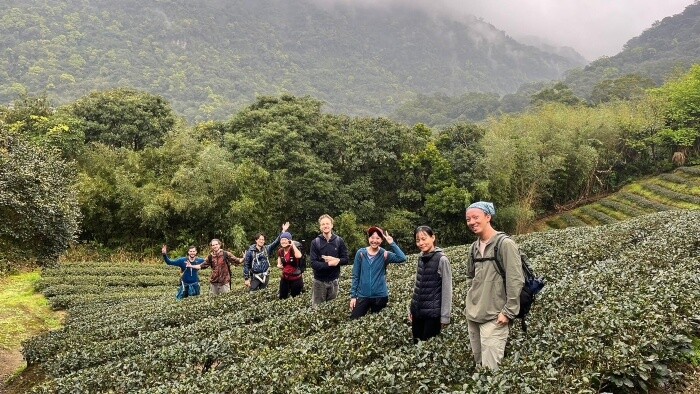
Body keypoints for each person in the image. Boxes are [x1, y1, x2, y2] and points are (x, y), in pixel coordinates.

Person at [464, 201, 524, 370]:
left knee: (491, 370)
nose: (472, 222)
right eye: (468, 219)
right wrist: (475, 295)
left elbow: (515, 279)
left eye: (476, 217)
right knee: (479, 365)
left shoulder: (505, 244)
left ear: (488, 217)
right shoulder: (473, 247)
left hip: (495, 316)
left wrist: (508, 312)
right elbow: (470, 276)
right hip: (473, 315)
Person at [350, 226, 407, 319]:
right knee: (354, 319)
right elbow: (356, 276)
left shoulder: (384, 254)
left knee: (377, 323)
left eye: (378, 238)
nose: (374, 240)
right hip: (362, 295)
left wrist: (392, 243)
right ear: (368, 238)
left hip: (380, 296)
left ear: (381, 240)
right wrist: (353, 296)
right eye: (372, 237)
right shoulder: (361, 253)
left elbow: (402, 258)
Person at [409, 225, 452, 344]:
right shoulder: (421, 258)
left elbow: (447, 289)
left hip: (432, 315)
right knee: (416, 346)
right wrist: (412, 310)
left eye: (424, 239)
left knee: (428, 349)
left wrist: (445, 317)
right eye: (418, 240)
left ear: (433, 238)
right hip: (418, 313)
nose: (421, 243)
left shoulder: (442, 259)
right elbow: (417, 285)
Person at [309, 214, 350, 307]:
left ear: (332, 225)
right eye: (323, 224)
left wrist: (337, 260)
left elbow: (346, 259)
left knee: (331, 310)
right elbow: (313, 263)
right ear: (320, 227)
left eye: (327, 223)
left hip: (334, 281)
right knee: (317, 309)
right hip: (319, 282)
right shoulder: (315, 242)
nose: (325, 226)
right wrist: (330, 264)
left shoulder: (339, 241)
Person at [244, 222, 290, 292]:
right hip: (255, 276)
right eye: (260, 239)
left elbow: (276, 242)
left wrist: (283, 231)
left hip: (265, 275)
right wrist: (246, 279)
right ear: (256, 240)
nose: (261, 241)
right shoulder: (250, 251)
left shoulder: (267, 248)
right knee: (252, 293)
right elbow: (246, 265)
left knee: (264, 294)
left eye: (263, 239)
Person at [276, 231, 305, 299]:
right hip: (285, 278)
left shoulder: (293, 249)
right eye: (282, 240)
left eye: (285, 240)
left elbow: (299, 256)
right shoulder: (280, 251)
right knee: (282, 297)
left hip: (296, 278)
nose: (283, 241)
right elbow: (279, 261)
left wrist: (293, 245)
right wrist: (278, 265)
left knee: (295, 297)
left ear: (289, 240)